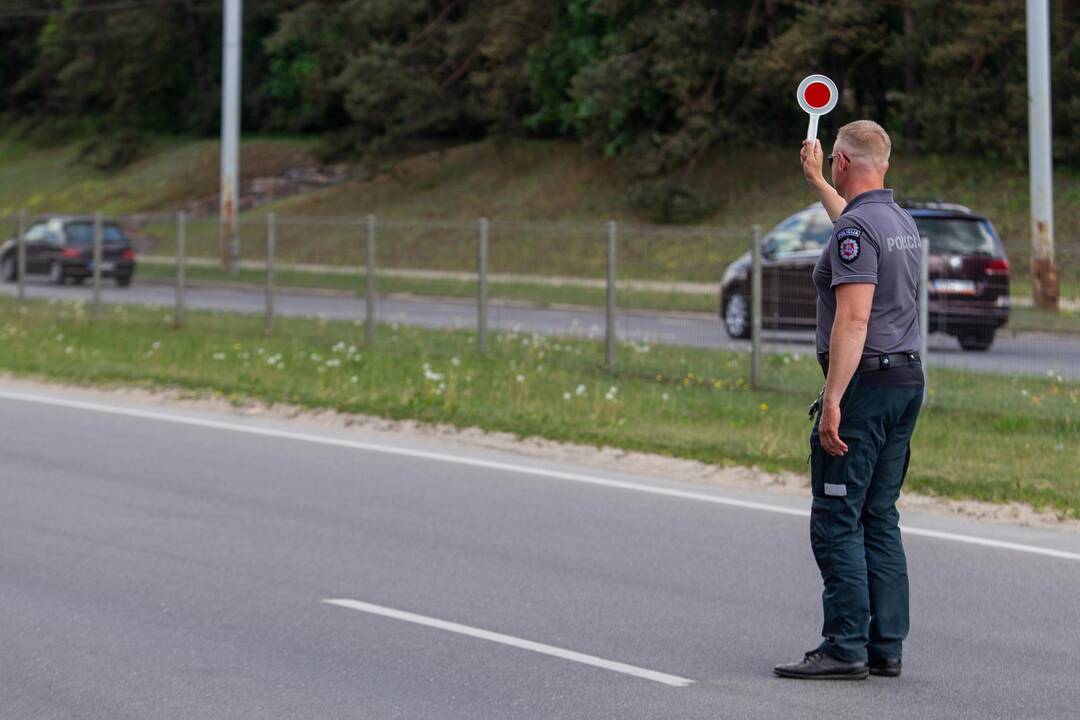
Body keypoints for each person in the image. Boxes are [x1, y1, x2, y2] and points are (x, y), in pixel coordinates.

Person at [774, 120, 925, 680]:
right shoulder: (899, 221)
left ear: (842, 160)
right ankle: (886, 645)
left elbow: (854, 316)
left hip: (865, 385)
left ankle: (844, 646)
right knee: (878, 514)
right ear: (881, 163)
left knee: (838, 515)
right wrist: (817, 183)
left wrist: (833, 397)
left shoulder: (855, 232)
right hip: (906, 380)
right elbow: (852, 221)